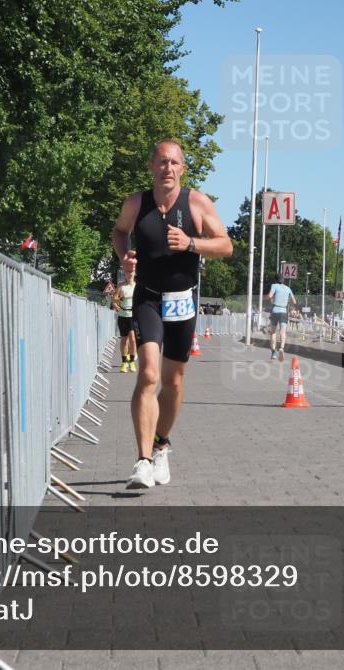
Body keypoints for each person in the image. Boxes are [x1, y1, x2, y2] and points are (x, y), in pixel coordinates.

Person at [112, 139, 233, 490]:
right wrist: (125, 255)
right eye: (162, 162)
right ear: (151, 166)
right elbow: (119, 232)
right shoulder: (137, 203)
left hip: (183, 300)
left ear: (182, 168)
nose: (168, 168)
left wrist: (192, 243)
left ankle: (161, 444)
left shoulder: (196, 203)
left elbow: (225, 244)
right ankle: (143, 460)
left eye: (174, 163)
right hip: (148, 297)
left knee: (174, 381)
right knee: (148, 374)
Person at [266, 274, 296, 362]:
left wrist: (269, 298)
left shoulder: (274, 286)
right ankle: (282, 348)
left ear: (276, 280)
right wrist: (286, 300)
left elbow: (270, 296)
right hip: (284, 311)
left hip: (275, 310)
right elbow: (294, 301)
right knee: (283, 332)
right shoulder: (288, 288)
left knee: (273, 332)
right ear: (283, 280)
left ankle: (273, 352)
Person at [112, 268, 137, 373]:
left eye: (131, 272)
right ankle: (124, 363)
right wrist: (117, 303)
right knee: (124, 339)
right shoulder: (121, 285)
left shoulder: (137, 286)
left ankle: (131, 362)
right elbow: (114, 300)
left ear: (135, 273)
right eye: (127, 272)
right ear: (125, 275)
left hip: (133, 315)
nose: (129, 274)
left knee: (133, 338)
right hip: (123, 315)